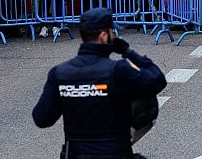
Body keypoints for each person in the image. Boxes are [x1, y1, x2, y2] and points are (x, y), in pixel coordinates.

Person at [32, 8, 167, 159]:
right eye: (112, 33)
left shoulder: (60, 73)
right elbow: (158, 79)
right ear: (103, 36)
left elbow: (42, 119)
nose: (114, 36)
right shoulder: (119, 70)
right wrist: (127, 51)